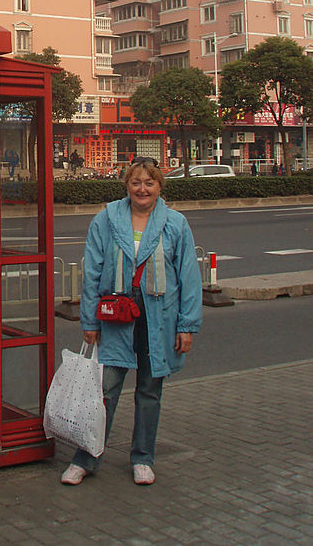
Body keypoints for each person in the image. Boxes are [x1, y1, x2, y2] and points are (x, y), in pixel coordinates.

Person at [61, 156, 202, 487]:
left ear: (159, 187)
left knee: (150, 390)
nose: (143, 189)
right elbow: (92, 273)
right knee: (105, 390)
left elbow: (189, 279)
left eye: (149, 183)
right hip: (115, 318)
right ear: (126, 185)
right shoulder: (106, 220)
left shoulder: (176, 224)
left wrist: (187, 325)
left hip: (160, 319)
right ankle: (86, 458)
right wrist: (89, 321)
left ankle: (143, 457)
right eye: (136, 182)